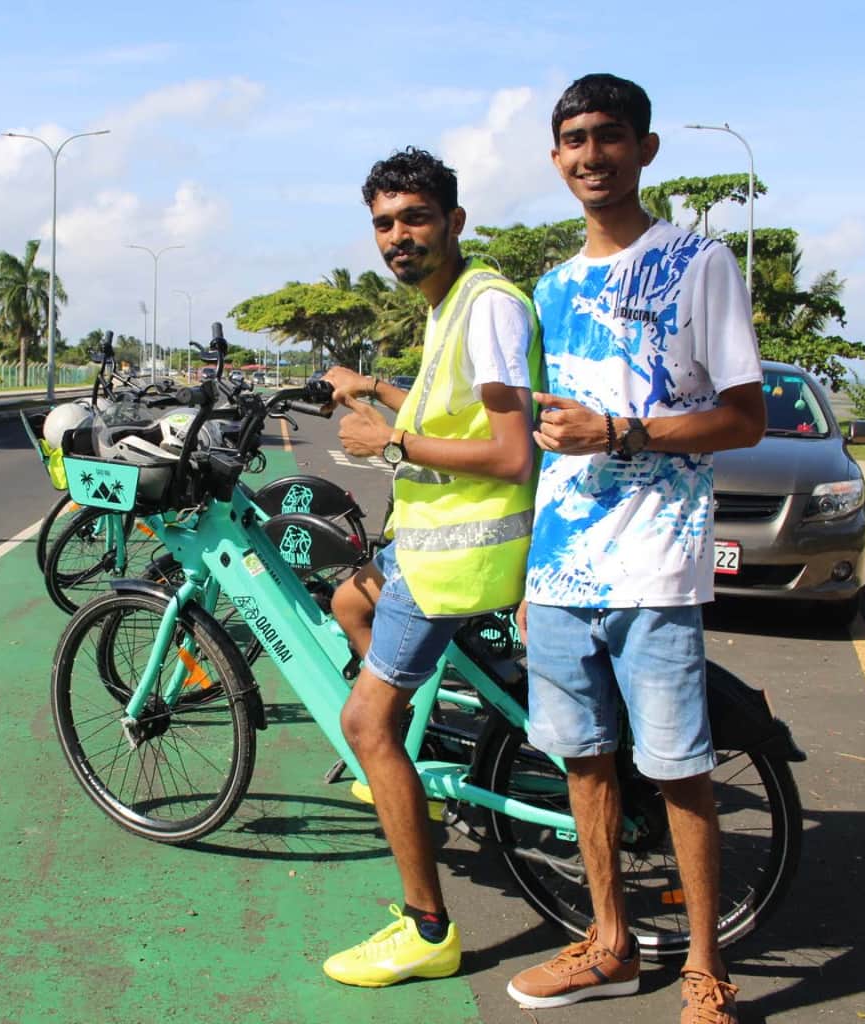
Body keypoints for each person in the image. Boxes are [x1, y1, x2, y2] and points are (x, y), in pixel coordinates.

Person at [507, 74, 764, 1024]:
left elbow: (743, 420)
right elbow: (542, 442)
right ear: (555, 156)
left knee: (676, 766)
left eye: (609, 137)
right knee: (582, 760)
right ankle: (610, 944)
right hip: (563, 568)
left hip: (655, 564)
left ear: (645, 149)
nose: (590, 155)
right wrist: (534, 569)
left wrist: (623, 432)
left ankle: (706, 970)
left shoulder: (699, 263)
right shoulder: (551, 286)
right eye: (573, 139)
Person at [317, 147, 543, 988]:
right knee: (350, 597)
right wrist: (369, 386)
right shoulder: (451, 305)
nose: (398, 236)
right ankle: (420, 779)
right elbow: (450, 401)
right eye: (384, 223)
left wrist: (392, 438)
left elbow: (511, 451)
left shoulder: (485, 306)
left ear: (454, 220)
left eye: (415, 218)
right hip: (436, 548)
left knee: (365, 724)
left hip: (461, 560)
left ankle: (428, 928)